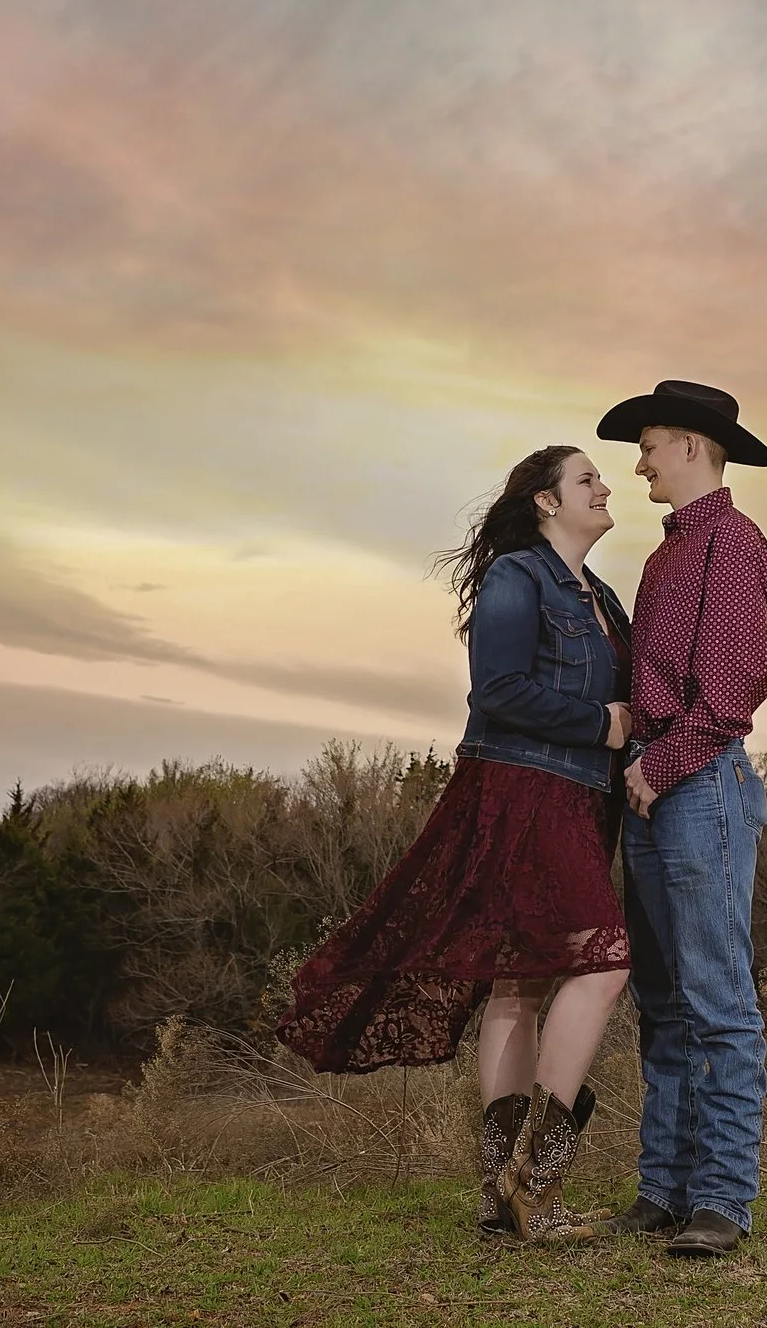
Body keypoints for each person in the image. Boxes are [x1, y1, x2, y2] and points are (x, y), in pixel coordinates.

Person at [275, 445, 635, 1241]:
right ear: (546, 502)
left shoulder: (601, 595)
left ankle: (499, 1199)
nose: (605, 486)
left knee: (523, 983)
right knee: (603, 963)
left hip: (579, 801)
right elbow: (499, 690)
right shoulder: (519, 575)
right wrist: (600, 723)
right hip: (523, 792)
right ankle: (531, 1184)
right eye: (587, 479)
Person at [592, 379, 767, 1259]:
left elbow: (734, 687)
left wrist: (659, 767)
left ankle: (721, 1200)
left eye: (652, 445)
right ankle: (663, 1189)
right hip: (654, 786)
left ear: (695, 447)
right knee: (664, 1004)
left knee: (718, 1001)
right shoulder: (667, 554)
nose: (639, 464)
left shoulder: (735, 546)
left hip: (699, 784)